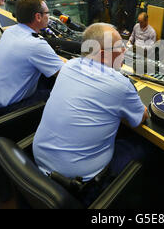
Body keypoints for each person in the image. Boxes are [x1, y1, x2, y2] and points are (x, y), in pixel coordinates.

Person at [33, 23, 149, 204]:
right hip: (78, 184)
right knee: (141, 147)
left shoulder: (69, 65)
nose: (125, 49)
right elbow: (140, 118)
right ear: (103, 54)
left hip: (38, 166)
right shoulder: (120, 84)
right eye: (120, 46)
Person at [0, 0, 65, 115]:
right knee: (64, 95)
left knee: (46, 78)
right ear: (38, 17)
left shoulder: (10, 31)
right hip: (11, 110)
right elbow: (65, 74)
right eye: (47, 13)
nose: (49, 16)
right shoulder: (35, 45)